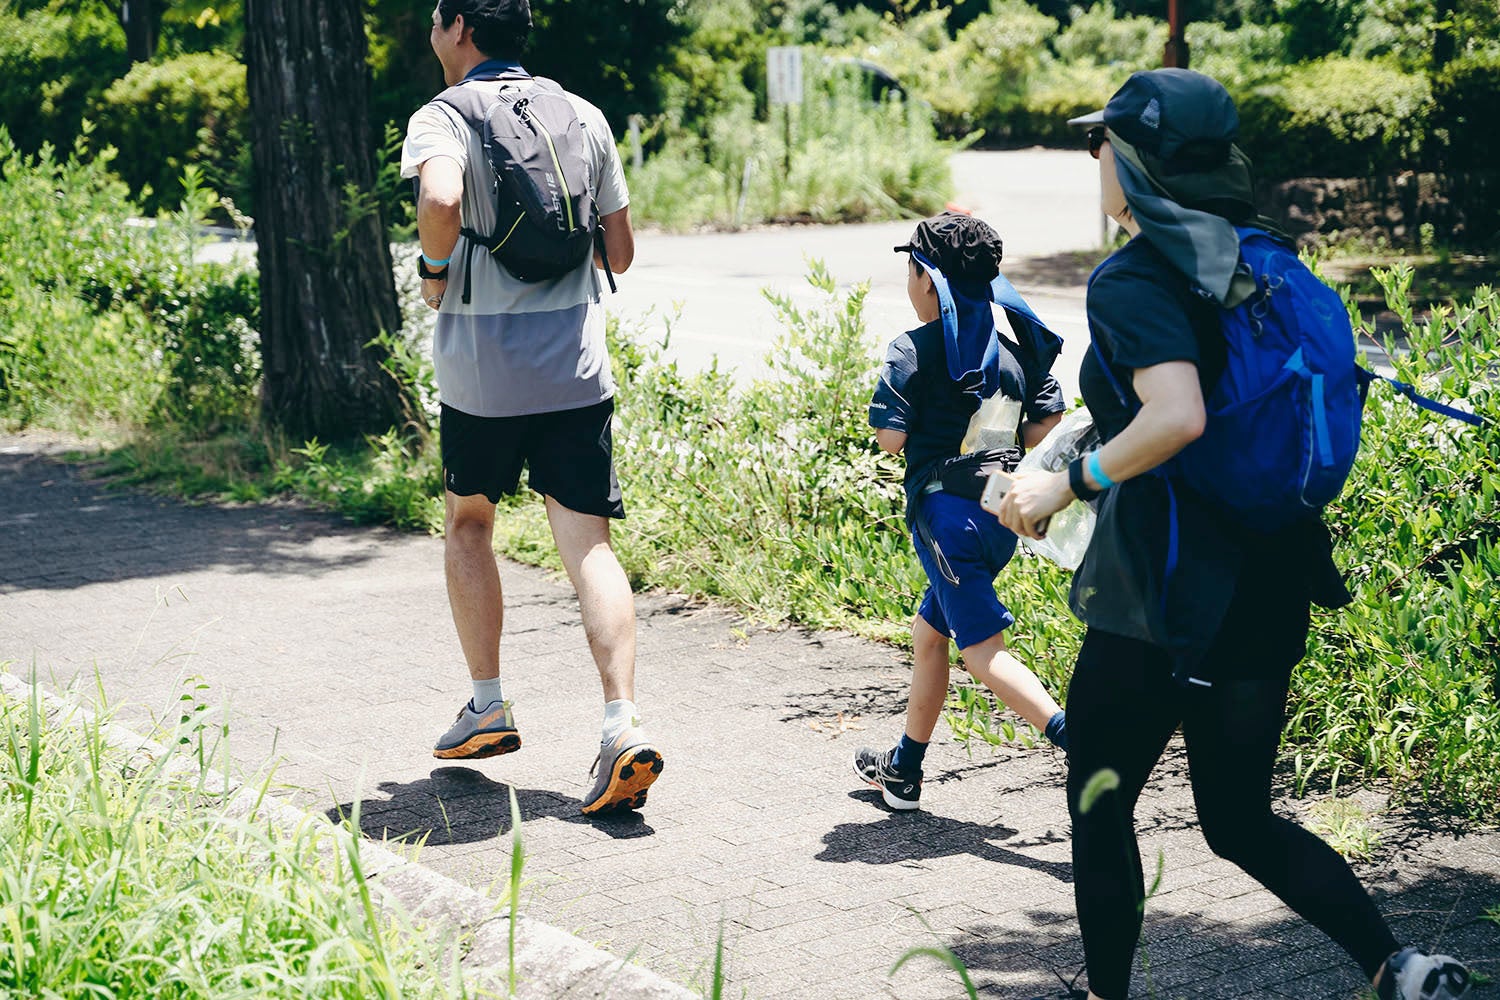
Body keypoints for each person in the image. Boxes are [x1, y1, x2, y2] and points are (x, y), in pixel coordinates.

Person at [997, 69, 1471, 1000]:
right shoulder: (1265, 259)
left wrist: (1069, 482)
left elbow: (1175, 417)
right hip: (1271, 575)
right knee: (1239, 818)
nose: (1095, 156)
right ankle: (1402, 966)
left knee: (1099, 805)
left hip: (1166, 603)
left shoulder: (1137, 276)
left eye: (1103, 142)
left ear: (1129, 162)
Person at [401, 0, 662, 816]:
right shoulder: (580, 114)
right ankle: (621, 726)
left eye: (437, 19)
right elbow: (619, 251)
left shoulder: (441, 116)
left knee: (470, 523)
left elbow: (442, 201)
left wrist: (435, 271)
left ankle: (487, 703)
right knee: (590, 546)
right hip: (575, 369)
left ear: (460, 31)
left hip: (483, 373)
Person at [854, 212, 1071, 812]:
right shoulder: (1012, 350)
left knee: (985, 654)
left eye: (910, 270)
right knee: (930, 635)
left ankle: (1082, 745)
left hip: (946, 523)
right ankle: (903, 770)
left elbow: (890, 438)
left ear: (927, 280)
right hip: (1000, 515)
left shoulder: (911, 349)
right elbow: (1045, 423)